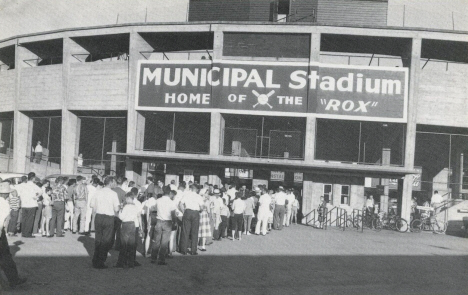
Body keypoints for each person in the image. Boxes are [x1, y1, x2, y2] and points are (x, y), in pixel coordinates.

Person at [0, 182, 27, 289]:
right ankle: (13, 279)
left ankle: (12, 280)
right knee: (6, 257)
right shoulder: (4, 204)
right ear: (6, 194)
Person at [91, 176, 120, 269]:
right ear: (110, 183)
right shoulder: (113, 194)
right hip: (109, 217)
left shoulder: (97, 192)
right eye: (114, 182)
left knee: (98, 238)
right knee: (106, 240)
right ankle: (101, 261)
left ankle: (95, 259)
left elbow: (92, 205)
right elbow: (116, 208)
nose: (115, 184)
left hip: (99, 216)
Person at [151, 186, 176, 265]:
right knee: (164, 242)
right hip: (168, 222)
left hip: (159, 221)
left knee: (156, 240)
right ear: (169, 192)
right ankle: (161, 259)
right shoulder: (171, 202)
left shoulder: (158, 200)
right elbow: (173, 214)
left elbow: (153, 209)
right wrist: (174, 222)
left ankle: (153, 258)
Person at [116, 193, 140, 268]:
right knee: (131, 244)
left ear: (129, 198)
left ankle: (121, 262)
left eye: (126, 199)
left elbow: (121, 217)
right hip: (132, 224)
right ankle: (131, 262)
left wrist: (120, 210)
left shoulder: (126, 207)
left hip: (125, 225)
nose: (125, 200)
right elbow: (137, 216)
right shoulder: (136, 207)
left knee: (123, 244)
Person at [179, 185, 204, 255]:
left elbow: (180, 204)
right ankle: (193, 250)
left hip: (187, 212)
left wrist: (184, 211)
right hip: (195, 213)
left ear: (191, 189)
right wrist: (199, 211)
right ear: (196, 189)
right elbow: (202, 207)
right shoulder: (199, 197)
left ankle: (183, 250)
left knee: (185, 231)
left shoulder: (186, 195)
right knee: (195, 232)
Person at [16, 172, 41, 238]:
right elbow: (41, 191)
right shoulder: (34, 185)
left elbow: (18, 193)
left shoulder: (23, 185)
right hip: (31, 204)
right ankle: (28, 233)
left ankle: (23, 232)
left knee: (24, 219)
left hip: (24, 204)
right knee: (30, 219)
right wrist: (36, 197)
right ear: (33, 178)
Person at [112, 177, 127, 250]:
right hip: (118, 213)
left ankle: (110, 244)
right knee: (118, 231)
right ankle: (117, 245)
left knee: (111, 230)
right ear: (122, 183)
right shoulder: (123, 192)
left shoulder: (112, 190)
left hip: (111, 212)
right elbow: (124, 203)